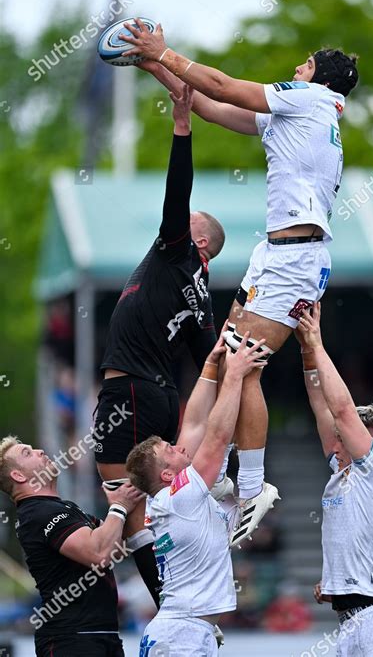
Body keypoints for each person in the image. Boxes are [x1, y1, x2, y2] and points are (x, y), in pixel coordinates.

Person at [119, 19, 358, 543]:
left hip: (293, 257)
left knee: (242, 364)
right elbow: (210, 104)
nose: (296, 69)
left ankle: (251, 485)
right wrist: (154, 66)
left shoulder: (310, 100)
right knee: (227, 360)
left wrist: (167, 50)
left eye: (306, 63)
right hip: (275, 254)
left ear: (320, 78)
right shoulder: (297, 116)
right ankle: (228, 475)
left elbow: (225, 84)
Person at [93, 85, 225, 607]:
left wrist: (182, 125)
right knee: (146, 503)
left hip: (130, 390)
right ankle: (184, 590)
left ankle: (171, 602)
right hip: (159, 395)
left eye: (183, 226)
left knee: (123, 499)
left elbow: (178, 191)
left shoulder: (177, 255)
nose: (168, 227)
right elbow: (210, 359)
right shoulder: (200, 295)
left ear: (197, 242)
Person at [126, 328, 269, 656]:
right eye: (169, 449)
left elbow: (193, 426)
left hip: (182, 629)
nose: (178, 446)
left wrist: (209, 367)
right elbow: (216, 437)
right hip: (182, 632)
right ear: (166, 473)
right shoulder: (180, 495)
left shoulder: (173, 497)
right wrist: (233, 374)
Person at [297, 302, 373, 657]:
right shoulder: (341, 470)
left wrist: (318, 344)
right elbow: (321, 403)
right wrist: (305, 348)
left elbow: (341, 409)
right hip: (348, 621)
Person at [0, 435, 143, 657]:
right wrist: (119, 505)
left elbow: (115, 545)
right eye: (27, 453)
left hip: (100, 635)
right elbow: (99, 553)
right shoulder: (37, 512)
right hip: (72, 639)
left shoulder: (60, 508)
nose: (39, 450)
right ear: (18, 475)